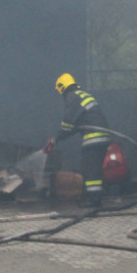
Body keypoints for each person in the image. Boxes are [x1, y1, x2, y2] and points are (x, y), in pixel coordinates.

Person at [43, 73, 111, 208]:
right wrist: (59, 138)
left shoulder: (72, 97)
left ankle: (94, 201)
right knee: (95, 170)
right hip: (102, 137)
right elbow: (75, 126)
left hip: (93, 138)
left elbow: (68, 124)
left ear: (62, 87)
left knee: (91, 171)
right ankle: (95, 199)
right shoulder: (82, 95)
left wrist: (55, 139)